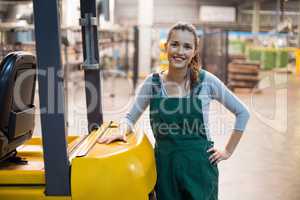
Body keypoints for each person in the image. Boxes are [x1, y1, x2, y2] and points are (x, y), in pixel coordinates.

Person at [98, 22, 250, 200]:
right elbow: (130, 118)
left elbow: (242, 112)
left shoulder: (206, 82)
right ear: (166, 47)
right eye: (175, 44)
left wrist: (228, 151)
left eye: (187, 46)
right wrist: (121, 131)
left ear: (194, 52)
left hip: (199, 169)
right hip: (165, 169)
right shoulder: (152, 84)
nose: (180, 51)